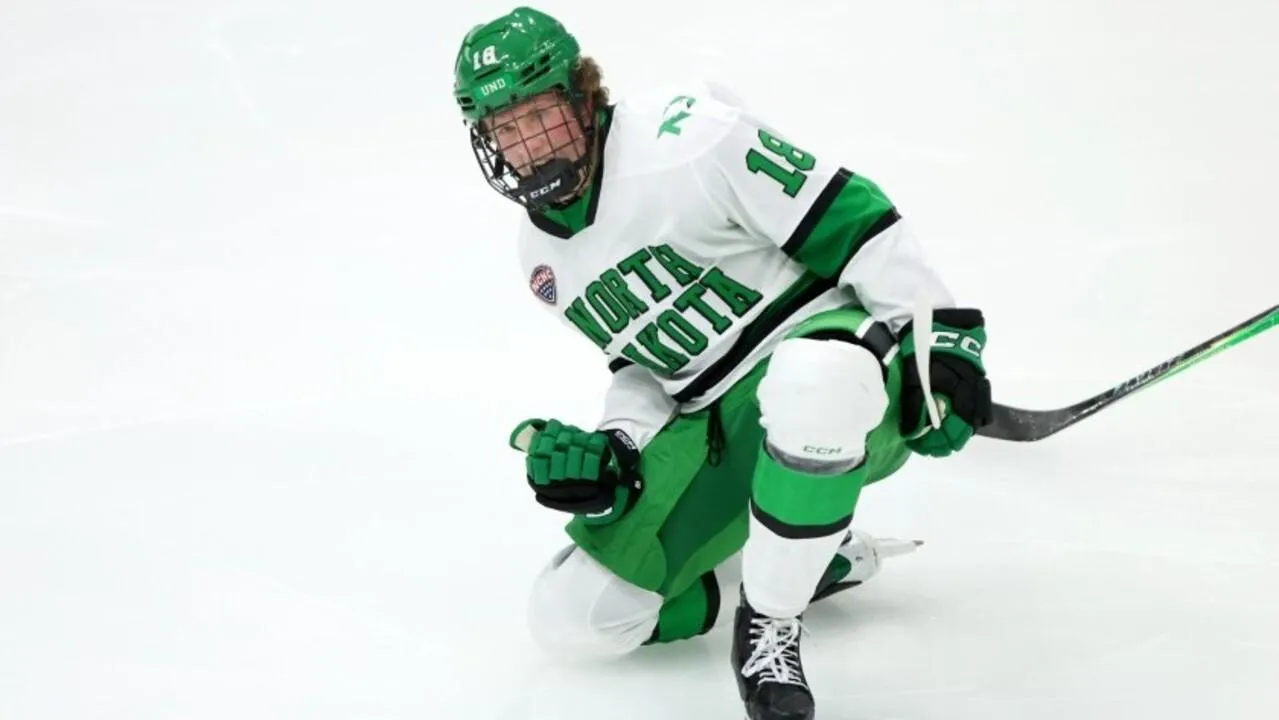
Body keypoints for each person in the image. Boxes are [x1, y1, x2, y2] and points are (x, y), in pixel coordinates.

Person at [453, 7, 993, 720]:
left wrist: (940, 334)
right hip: (714, 420)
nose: (528, 144)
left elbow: (851, 218)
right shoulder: (541, 258)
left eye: (539, 115)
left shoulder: (688, 139)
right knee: (573, 619)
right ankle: (810, 558)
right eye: (506, 130)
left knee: (814, 379)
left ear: (583, 95)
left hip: (835, 357)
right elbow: (642, 369)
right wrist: (616, 448)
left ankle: (770, 620)